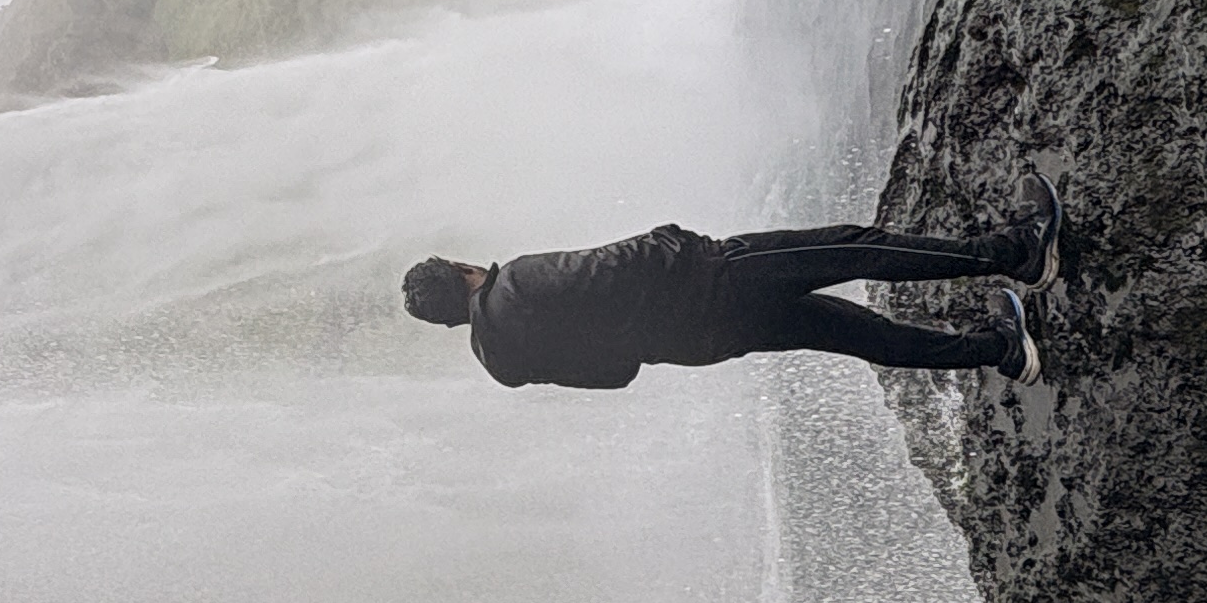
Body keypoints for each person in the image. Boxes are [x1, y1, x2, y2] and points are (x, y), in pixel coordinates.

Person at [401, 175, 1065, 389]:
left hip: (703, 339)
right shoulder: (515, 281)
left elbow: (616, 376)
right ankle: (1015, 253)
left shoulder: (502, 362)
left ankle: (1000, 350)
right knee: (860, 248)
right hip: (714, 278)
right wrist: (673, 240)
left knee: (856, 334)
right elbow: (611, 265)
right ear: (462, 271)